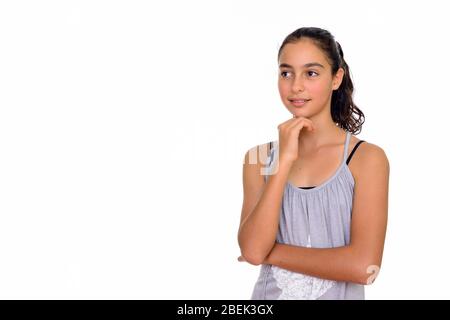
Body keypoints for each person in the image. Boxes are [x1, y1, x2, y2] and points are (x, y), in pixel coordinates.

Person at [237, 27, 389, 300]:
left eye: (311, 73)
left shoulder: (367, 159)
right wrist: (283, 161)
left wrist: (271, 253)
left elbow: (364, 267)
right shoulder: (257, 159)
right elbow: (252, 250)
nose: (296, 85)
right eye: (286, 73)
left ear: (336, 78)